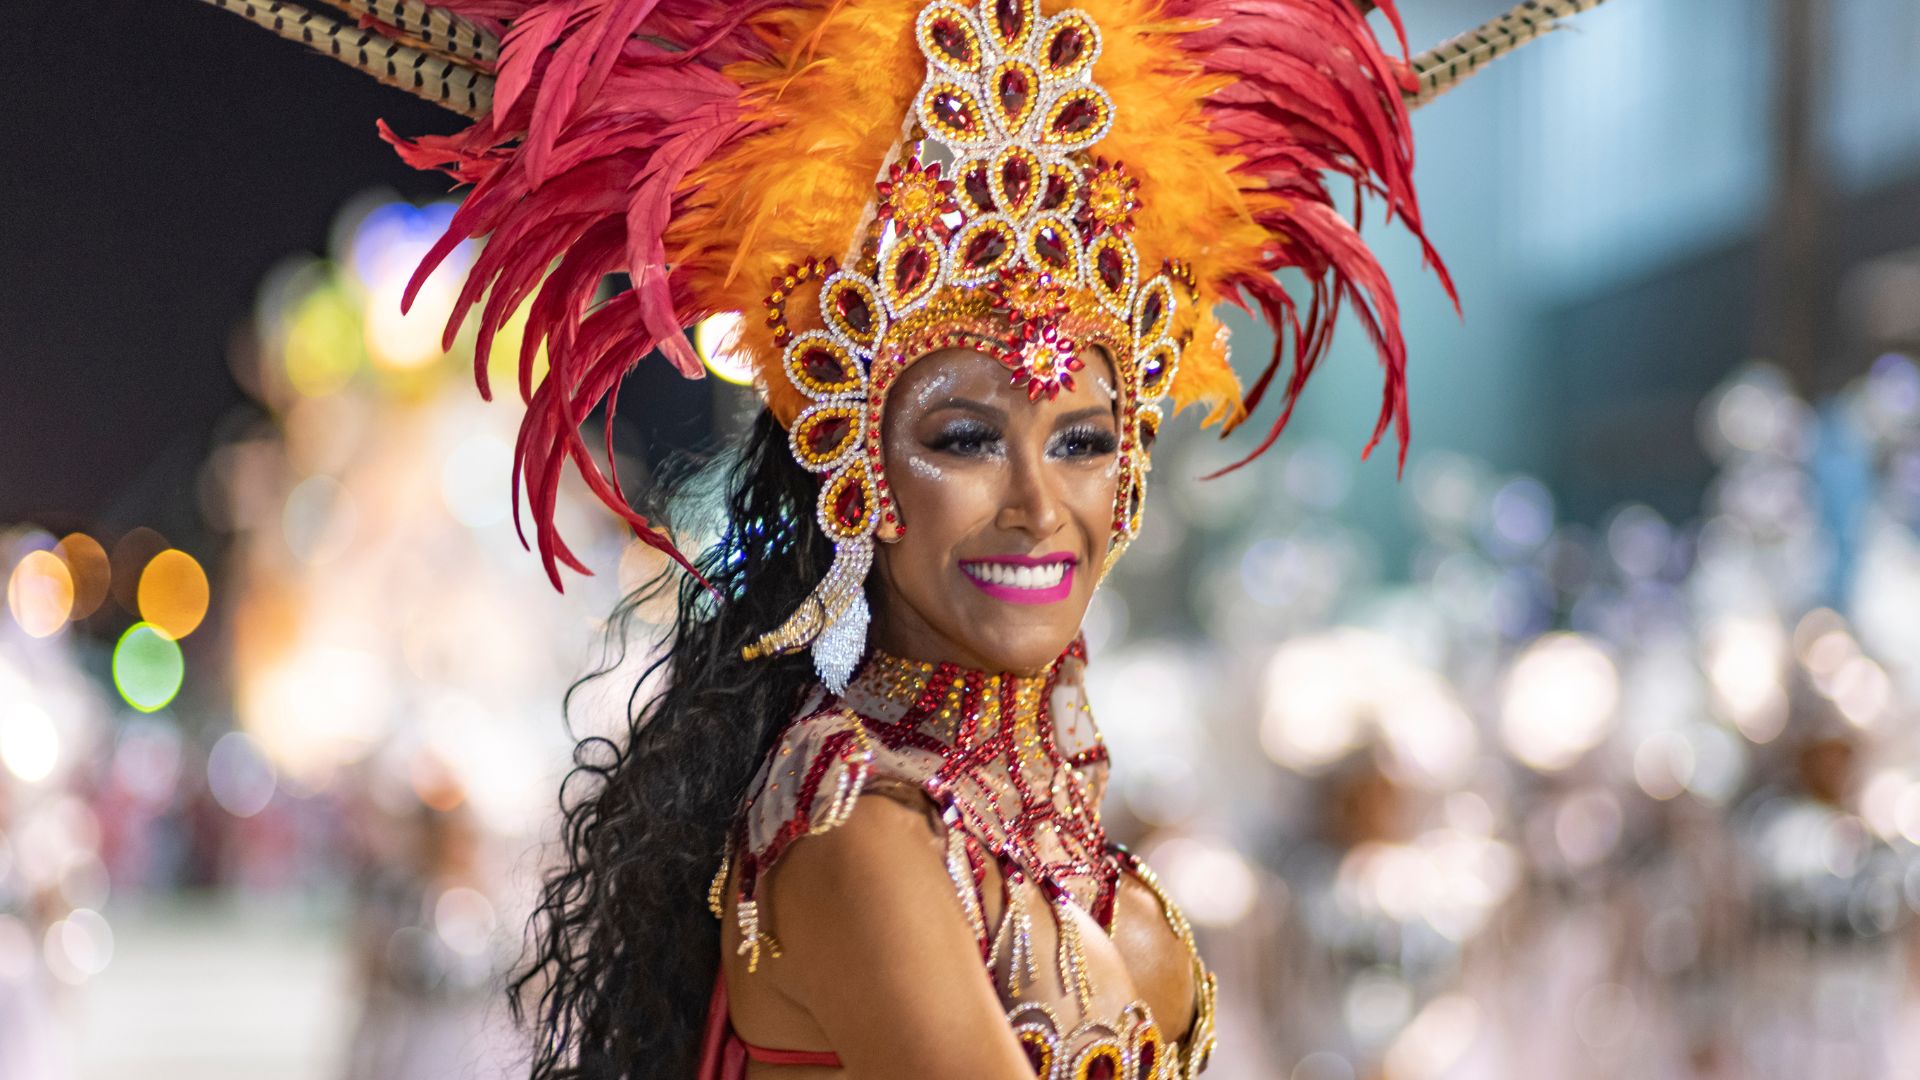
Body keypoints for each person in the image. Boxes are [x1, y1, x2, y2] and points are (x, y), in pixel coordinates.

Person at [194, 0, 1610, 1074]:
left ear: (1134, 478)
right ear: (859, 470)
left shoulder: (1048, 829)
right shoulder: (857, 832)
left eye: (1082, 440)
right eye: (963, 439)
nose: (1033, 504)